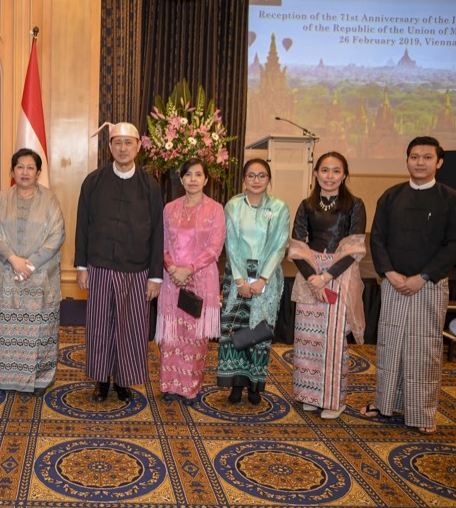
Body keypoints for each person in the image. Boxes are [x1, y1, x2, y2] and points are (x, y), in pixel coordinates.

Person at [361, 136, 456, 435]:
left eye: (427, 157)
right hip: (393, 283)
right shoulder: (391, 196)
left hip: (429, 284)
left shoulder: (451, 199)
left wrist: (424, 276)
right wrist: (389, 273)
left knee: (424, 349)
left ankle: (421, 412)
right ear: (407, 160)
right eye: (414, 157)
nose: (420, 162)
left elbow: (455, 244)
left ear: (439, 162)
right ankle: (384, 404)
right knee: (389, 346)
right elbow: (377, 238)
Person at [75, 121, 164, 404]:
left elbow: (158, 232)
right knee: (100, 326)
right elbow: (82, 226)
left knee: (130, 329)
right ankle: (101, 380)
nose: (123, 148)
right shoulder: (93, 182)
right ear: (109, 147)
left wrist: (155, 276)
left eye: (128, 143)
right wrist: (81, 266)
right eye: (117, 143)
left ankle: (124, 380)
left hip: (136, 270)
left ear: (138, 147)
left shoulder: (150, 186)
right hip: (99, 267)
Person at [289, 151, 367, 419]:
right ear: (316, 173)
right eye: (324, 170)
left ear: (344, 175)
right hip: (309, 276)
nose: (329, 176)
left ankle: (334, 400)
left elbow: (355, 248)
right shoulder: (306, 205)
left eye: (336, 171)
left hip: (340, 275)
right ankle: (310, 395)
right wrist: (312, 277)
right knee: (308, 339)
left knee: (333, 341)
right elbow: (297, 246)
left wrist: (326, 277)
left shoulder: (355, 205)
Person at [0, 149, 65, 395]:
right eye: (20, 167)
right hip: (8, 275)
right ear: (12, 171)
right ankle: (8, 377)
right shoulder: (2, 198)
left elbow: (57, 235)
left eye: (30, 168)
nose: (25, 172)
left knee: (40, 331)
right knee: (7, 330)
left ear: (38, 173)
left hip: (40, 277)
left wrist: (29, 264)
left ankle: (40, 379)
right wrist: (13, 260)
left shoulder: (50, 199)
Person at [218, 158, 290, 405]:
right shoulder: (233, 205)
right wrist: (240, 280)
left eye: (261, 175)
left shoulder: (279, 207)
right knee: (235, 329)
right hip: (237, 275)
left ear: (269, 179)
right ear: (243, 179)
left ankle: (254, 386)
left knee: (259, 331)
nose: (256, 180)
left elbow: (280, 245)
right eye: (251, 175)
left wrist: (262, 279)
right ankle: (236, 384)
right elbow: (231, 243)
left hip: (266, 277)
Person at [155, 158, 225, 404]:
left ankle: (190, 387)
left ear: (206, 180)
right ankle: (169, 385)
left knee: (195, 337)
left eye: (198, 174)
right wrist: (173, 268)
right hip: (172, 279)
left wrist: (189, 269)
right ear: (182, 179)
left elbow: (215, 247)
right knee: (171, 333)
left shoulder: (215, 209)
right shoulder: (169, 208)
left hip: (201, 279)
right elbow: (161, 243)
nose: (193, 179)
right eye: (188, 175)